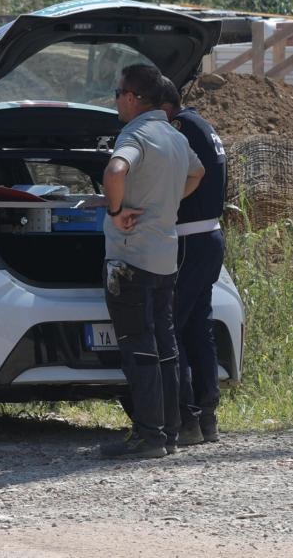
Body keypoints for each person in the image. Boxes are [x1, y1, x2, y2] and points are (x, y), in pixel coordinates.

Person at [99, 64, 203, 459]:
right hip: (165, 257)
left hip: (131, 256)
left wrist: (116, 210)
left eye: (117, 93)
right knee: (165, 345)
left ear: (130, 97)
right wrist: (167, 204)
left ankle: (148, 435)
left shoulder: (136, 133)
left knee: (137, 345)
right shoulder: (173, 136)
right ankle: (169, 434)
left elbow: (115, 169)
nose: (116, 101)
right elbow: (198, 173)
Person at [160, 77, 227, 445]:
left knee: (174, 326)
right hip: (209, 237)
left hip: (189, 239)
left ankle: (186, 417)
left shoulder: (180, 128)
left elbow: (187, 176)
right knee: (199, 326)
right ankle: (207, 416)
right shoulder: (201, 123)